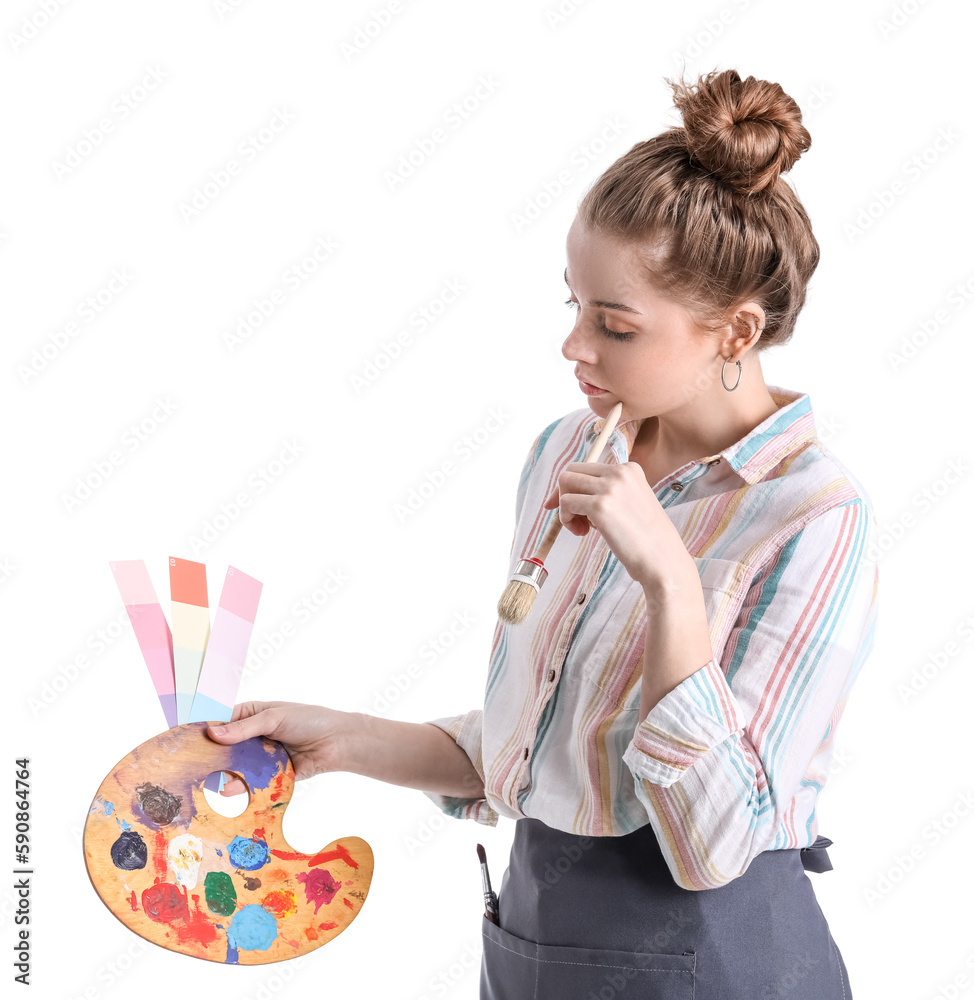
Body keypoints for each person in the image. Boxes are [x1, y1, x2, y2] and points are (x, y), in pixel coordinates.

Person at [207, 67, 879, 999]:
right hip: (536, 946)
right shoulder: (567, 452)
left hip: (716, 964)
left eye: (616, 325)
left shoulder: (813, 515)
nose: (576, 347)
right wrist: (345, 741)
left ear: (736, 333)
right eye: (573, 306)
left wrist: (671, 583)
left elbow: (717, 844)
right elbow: (550, 750)